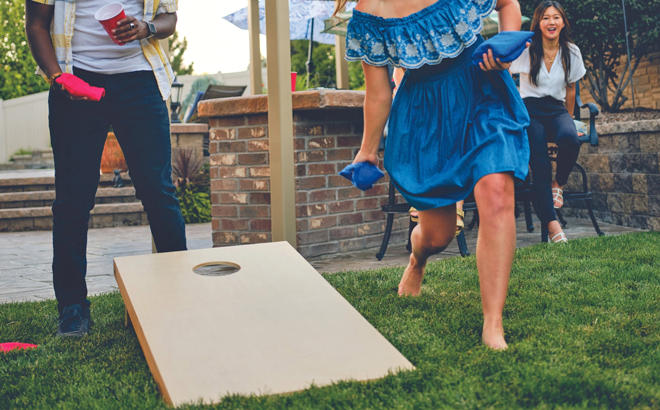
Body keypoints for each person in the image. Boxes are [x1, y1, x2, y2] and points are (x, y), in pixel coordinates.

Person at [341, 0, 530, 350]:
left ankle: (493, 323)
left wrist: (507, 48)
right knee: (437, 235)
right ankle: (417, 259)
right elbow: (379, 94)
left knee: (496, 191)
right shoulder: (370, 11)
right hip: (425, 114)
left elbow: (507, 3)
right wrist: (367, 151)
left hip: (480, 88)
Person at [25, 0, 187, 337]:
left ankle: (183, 294)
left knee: (159, 191)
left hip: (140, 82)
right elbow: (36, 24)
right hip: (74, 80)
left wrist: (147, 28)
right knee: (72, 199)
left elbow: (169, 18)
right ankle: (72, 308)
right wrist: (57, 77)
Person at [509, 1, 586, 243]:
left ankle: (559, 183)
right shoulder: (527, 49)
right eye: (545, 18)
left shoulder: (571, 51)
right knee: (540, 165)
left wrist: (570, 119)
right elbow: (505, 72)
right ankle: (554, 227)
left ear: (563, 22)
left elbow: (571, 89)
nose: (550, 22)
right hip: (530, 109)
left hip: (556, 108)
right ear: (538, 23)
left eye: (555, 17)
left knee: (570, 138)